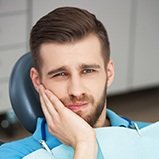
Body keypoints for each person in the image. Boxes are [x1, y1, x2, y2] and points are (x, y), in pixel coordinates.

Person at [0, 6, 150, 159]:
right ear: (37, 81)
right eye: (60, 74)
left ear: (109, 73)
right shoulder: (12, 155)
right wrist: (84, 144)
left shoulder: (152, 136)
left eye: (88, 71)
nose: (76, 91)